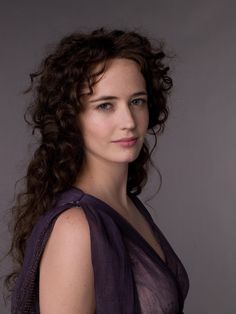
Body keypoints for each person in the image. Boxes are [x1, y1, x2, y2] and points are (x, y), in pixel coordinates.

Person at [5, 27, 189, 313]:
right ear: (71, 118)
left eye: (137, 101)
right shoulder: (75, 228)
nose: (128, 121)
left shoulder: (128, 206)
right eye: (105, 106)